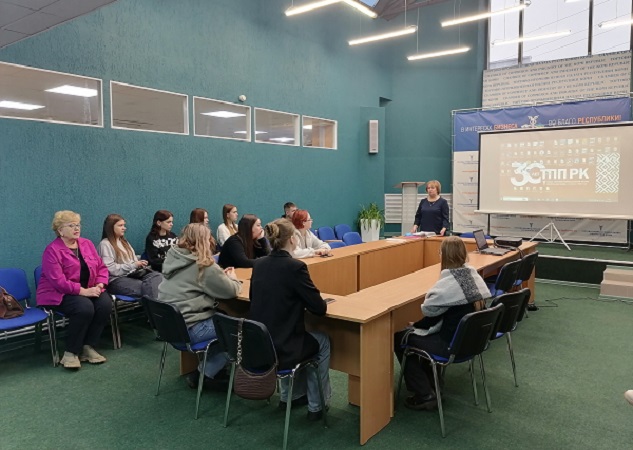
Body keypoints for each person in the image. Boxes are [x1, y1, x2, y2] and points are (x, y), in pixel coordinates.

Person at [394, 236, 489, 410]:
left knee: (401, 338)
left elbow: (429, 318)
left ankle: (425, 394)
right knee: (417, 335)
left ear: (443, 256)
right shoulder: (472, 276)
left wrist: (414, 325)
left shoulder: (448, 287)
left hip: (450, 346)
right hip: (471, 343)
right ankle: (433, 384)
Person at [250, 219, 331, 420]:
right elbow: (319, 308)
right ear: (293, 239)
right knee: (322, 341)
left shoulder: (258, 264)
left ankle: (289, 396)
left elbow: (254, 297)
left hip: (262, 344)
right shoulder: (296, 267)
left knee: (289, 333)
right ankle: (317, 405)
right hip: (284, 348)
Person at [158, 223, 242, 388]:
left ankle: (213, 368)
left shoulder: (173, 258)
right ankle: (203, 374)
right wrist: (231, 277)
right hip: (191, 328)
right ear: (205, 241)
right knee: (239, 328)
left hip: (170, 326)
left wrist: (218, 277)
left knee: (222, 319)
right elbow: (232, 290)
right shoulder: (203, 265)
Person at [36, 210, 112, 369]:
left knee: (105, 303)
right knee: (84, 307)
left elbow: (101, 268)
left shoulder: (87, 244)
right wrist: (83, 291)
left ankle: (88, 347)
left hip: (88, 289)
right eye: (71, 226)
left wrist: (99, 284)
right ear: (60, 230)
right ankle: (70, 352)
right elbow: (58, 282)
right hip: (56, 294)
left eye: (78, 225)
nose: (76, 228)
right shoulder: (52, 251)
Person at [97, 214, 162, 300]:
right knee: (149, 288)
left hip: (132, 275)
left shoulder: (124, 242)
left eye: (124, 225)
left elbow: (132, 259)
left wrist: (140, 262)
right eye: (120, 225)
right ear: (111, 227)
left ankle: (155, 310)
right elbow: (110, 269)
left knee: (158, 276)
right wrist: (134, 265)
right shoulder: (105, 244)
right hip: (116, 280)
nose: (124, 228)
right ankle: (155, 311)